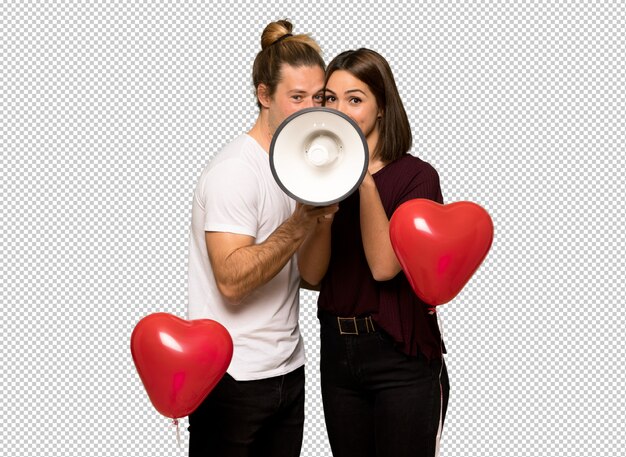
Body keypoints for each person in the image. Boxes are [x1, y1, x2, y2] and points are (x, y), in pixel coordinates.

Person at [186, 20, 337, 457]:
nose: (312, 109)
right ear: (264, 94)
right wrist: (298, 223)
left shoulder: (298, 168)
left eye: (318, 98)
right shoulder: (235, 170)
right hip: (232, 377)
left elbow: (308, 277)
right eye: (297, 97)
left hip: (287, 370)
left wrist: (321, 220)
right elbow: (231, 280)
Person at [299, 48, 450, 457]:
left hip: (399, 356)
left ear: (381, 107)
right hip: (338, 353)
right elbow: (311, 277)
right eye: (330, 99)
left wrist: (362, 179)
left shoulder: (416, 176)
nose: (340, 109)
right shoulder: (313, 176)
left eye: (355, 99)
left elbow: (385, 268)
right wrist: (322, 208)